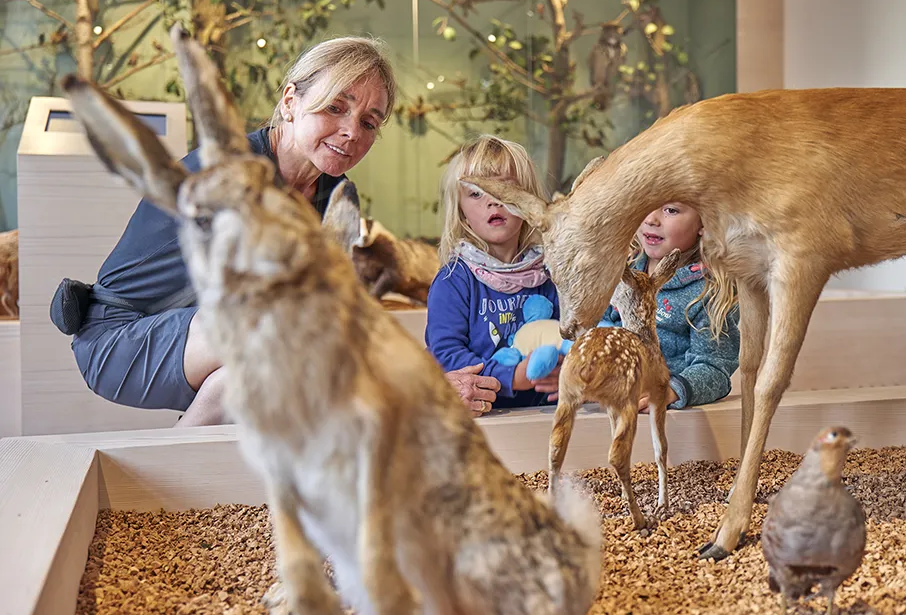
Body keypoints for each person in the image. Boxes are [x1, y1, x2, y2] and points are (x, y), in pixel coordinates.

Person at [67, 35, 498, 426]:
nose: (351, 131)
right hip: (119, 339)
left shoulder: (333, 194)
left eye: (369, 122)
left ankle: (178, 465)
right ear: (290, 101)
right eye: (335, 107)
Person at [425, 134, 562, 415]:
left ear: (528, 202)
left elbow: (569, 334)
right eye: (476, 193)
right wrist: (511, 377)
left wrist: (566, 370)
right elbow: (446, 354)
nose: (493, 201)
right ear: (462, 212)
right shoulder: (453, 280)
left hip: (542, 419)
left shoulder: (549, 273)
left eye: (505, 189)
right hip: (483, 419)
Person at [603, 202, 740, 411]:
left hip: (667, 419)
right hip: (606, 405)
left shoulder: (708, 291)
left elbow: (714, 367)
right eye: (646, 203)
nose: (651, 219)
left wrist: (670, 391)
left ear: (705, 220)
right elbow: (599, 329)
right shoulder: (621, 270)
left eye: (671, 210)